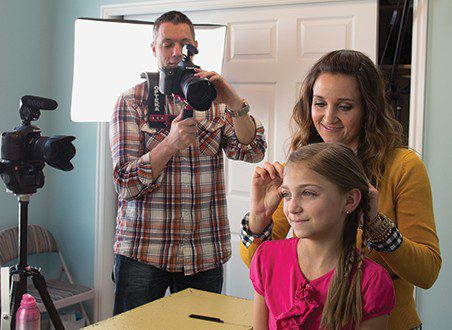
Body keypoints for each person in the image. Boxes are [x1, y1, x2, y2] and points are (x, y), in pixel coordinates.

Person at [240, 50, 441, 329]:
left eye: (344, 106)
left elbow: (427, 272)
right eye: (319, 103)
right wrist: (257, 220)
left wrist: (378, 228)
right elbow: (260, 266)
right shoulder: (300, 167)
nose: (328, 117)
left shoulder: (402, 167)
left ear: (368, 109)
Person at [110, 11, 267, 315]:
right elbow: (124, 183)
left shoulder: (212, 99)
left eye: (184, 44)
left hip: (203, 252)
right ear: (154, 49)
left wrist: (234, 102)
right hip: (143, 250)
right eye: (167, 43)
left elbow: (253, 150)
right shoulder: (131, 101)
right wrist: (170, 143)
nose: (176, 52)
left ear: (195, 45)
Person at [251, 142, 396, 329]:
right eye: (286, 194)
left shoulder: (372, 282)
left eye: (308, 193)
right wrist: (257, 216)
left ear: (350, 200)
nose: (292, 208)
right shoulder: (266, 257)